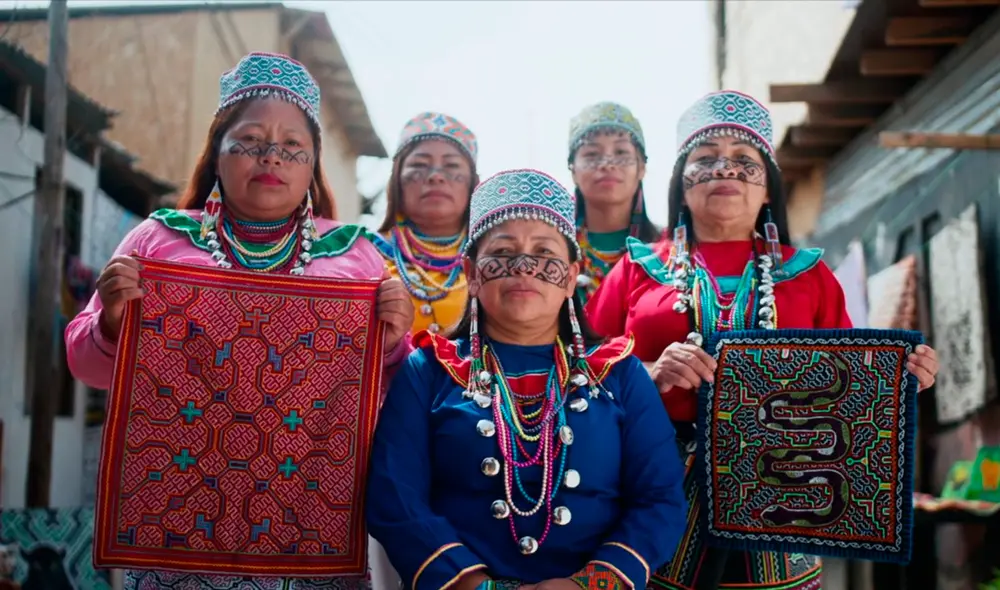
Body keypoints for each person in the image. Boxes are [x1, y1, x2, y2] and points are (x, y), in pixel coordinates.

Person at [64, 51, 414, 590]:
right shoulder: (159, 244)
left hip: (312, 539)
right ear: (218, 152)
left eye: (292, 147)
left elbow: (389, 397)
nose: (271, 157)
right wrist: (110, 323)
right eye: (250, 141)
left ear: (312, 162)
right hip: (178, 543)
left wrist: (392, 343)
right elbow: (87, 365)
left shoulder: (358, 258)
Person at [585, 90, 940, 590]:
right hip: (655, 483)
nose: (724, 171)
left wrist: (904, 378)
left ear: (768, 188)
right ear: (681, 187)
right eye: (705, 161)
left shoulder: (810, 275)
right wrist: (647, 371)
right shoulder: (639, 267)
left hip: (786, 487)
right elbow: (580, 370)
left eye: (744, 162)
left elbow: (850, 383)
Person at [365, 169, 688, 590]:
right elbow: (396, 496)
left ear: (571, 277)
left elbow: (659, 500)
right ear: (473, 273)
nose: (524, 266)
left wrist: (589, 585)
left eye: (544, 252)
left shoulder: (619, 372)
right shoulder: (429, 371)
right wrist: (473, 585)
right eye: (503, 251)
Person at [371, 112, 479, 335]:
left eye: (451, 166)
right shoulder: (365, 254)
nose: (435, 176)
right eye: (419, 164)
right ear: (397, 180)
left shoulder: (490, 259)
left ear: (473, 183)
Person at [567, 102, 659, 303]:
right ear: (573, 170)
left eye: (621, 153)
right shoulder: (557, 251)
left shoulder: (668, 250)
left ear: (641, 167)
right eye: (592, 154)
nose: (607, 164)